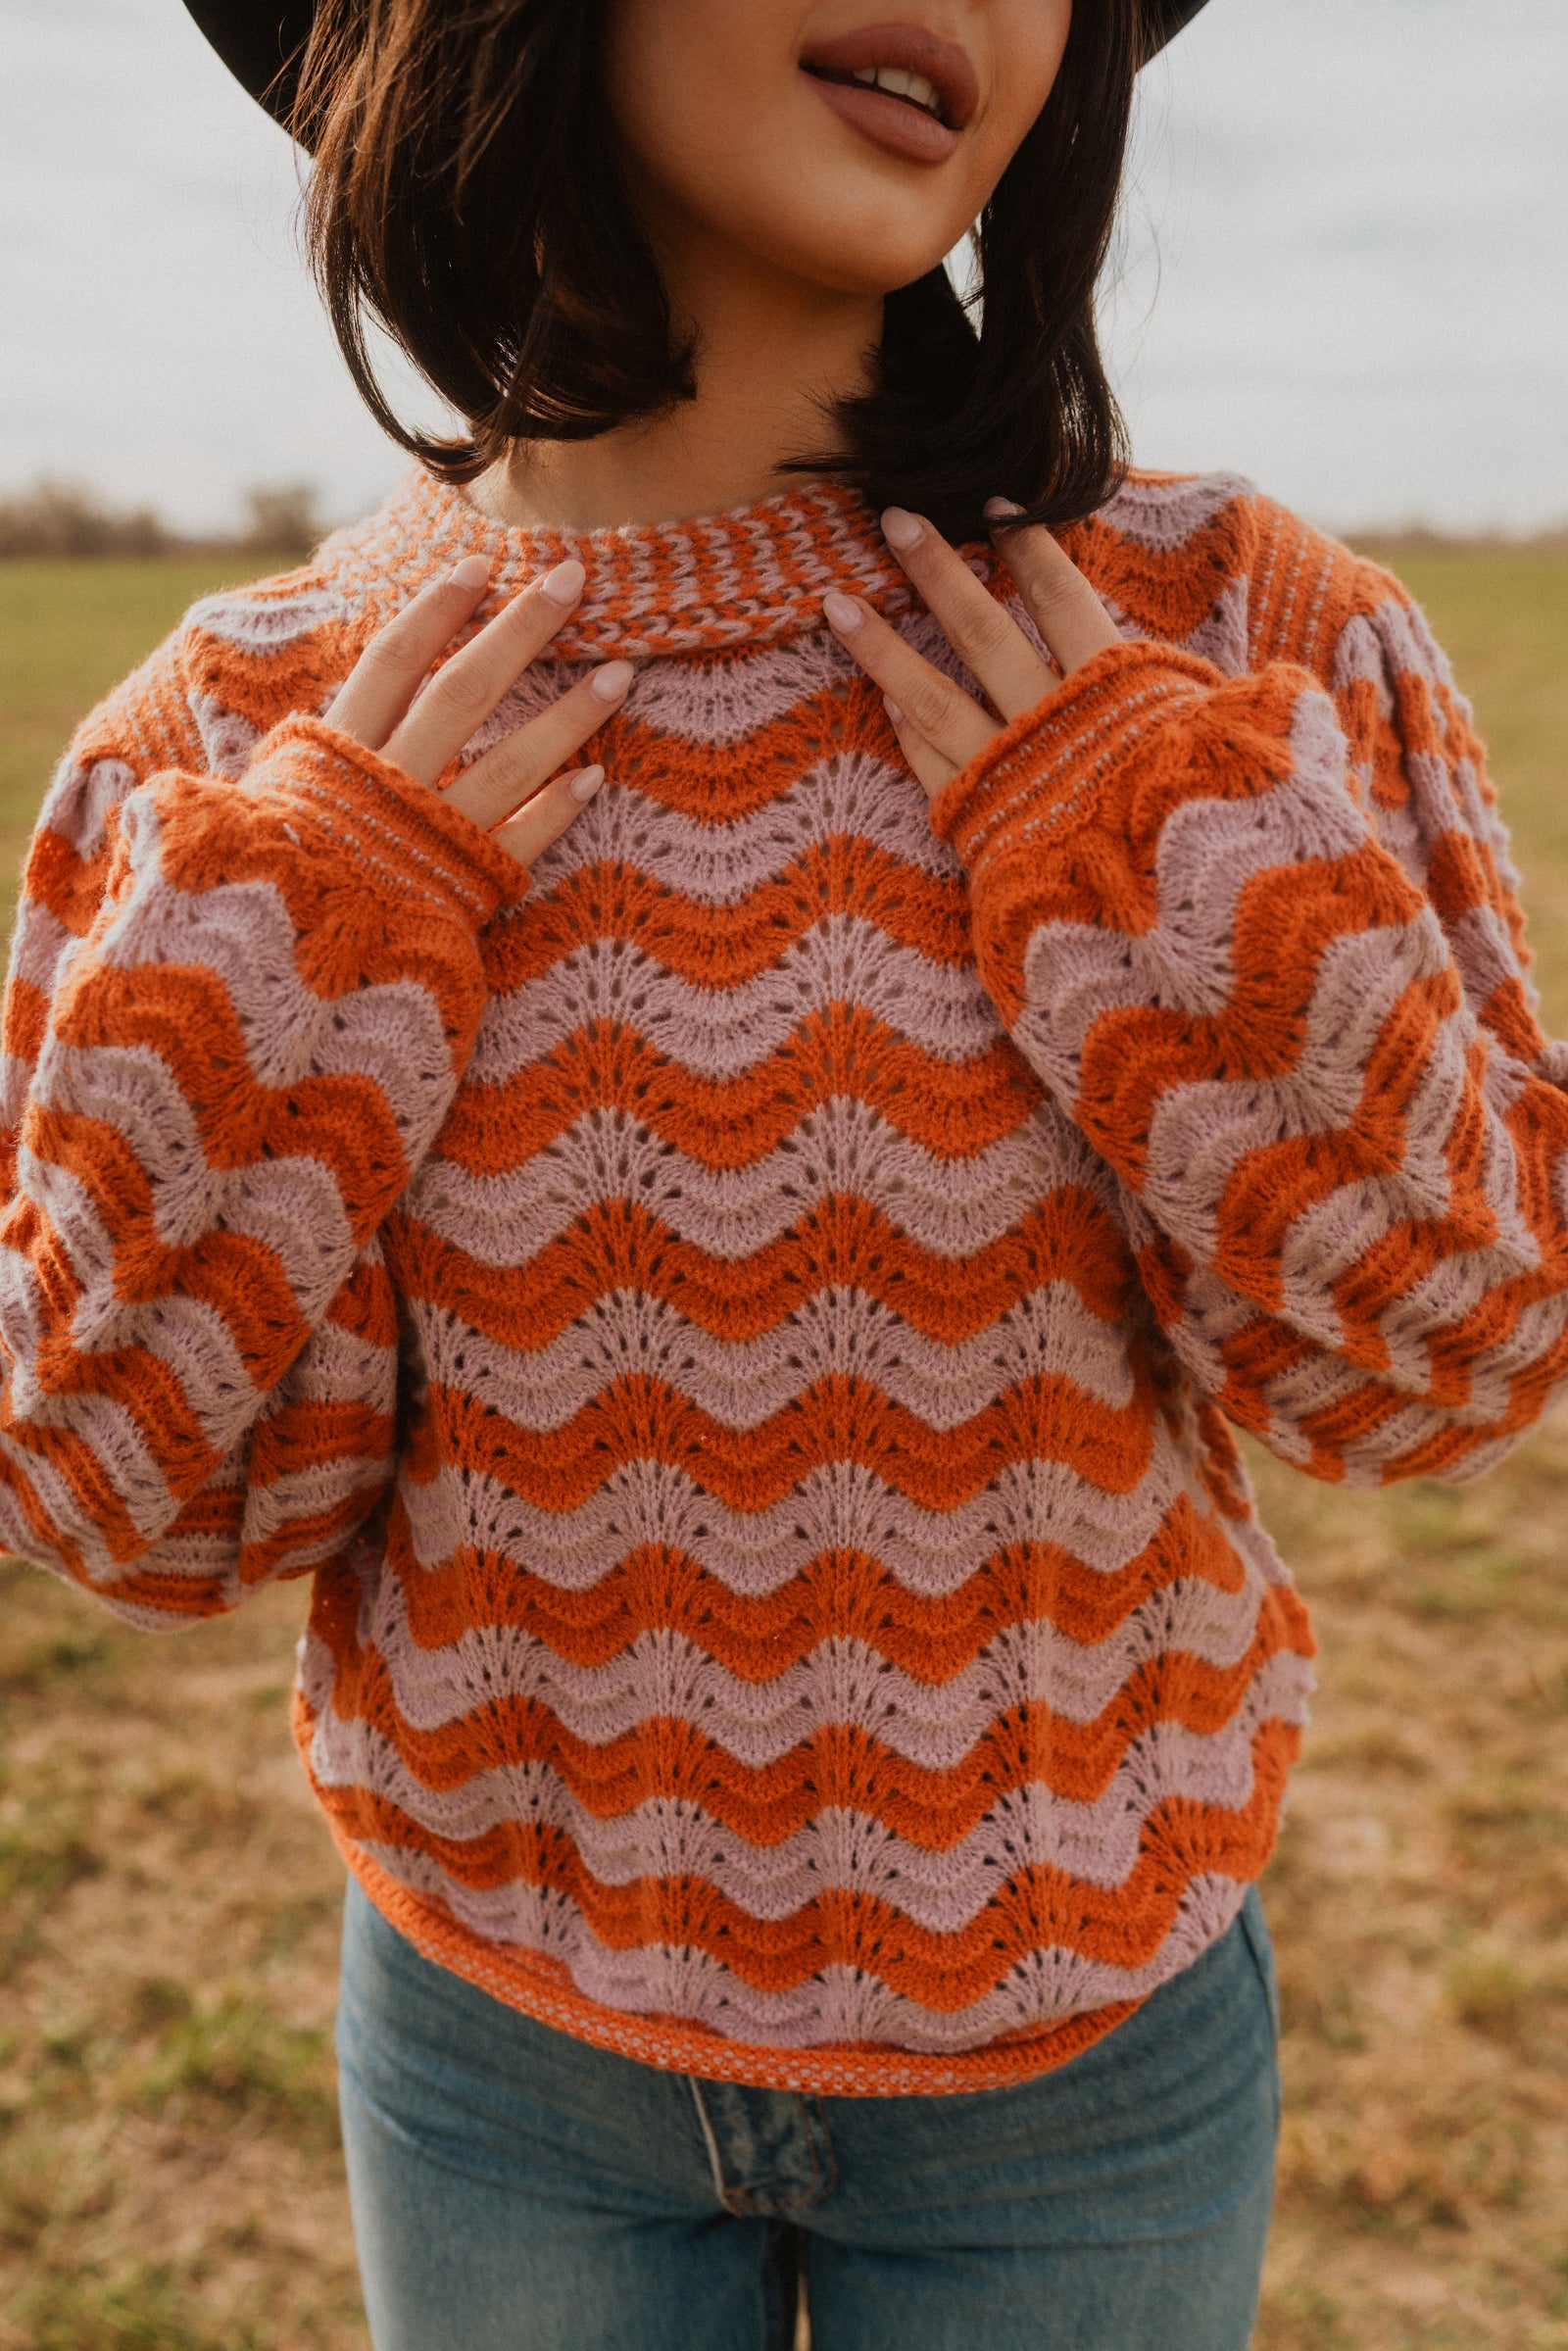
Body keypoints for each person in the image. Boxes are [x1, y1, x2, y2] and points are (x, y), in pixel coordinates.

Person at [7, 3, 1562, 2345]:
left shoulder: (1230, 638)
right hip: (497, 2044)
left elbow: (1446, 1370)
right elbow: (123, 1501)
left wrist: (1144, 850)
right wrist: (316, 942)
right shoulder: (247, 743)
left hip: (1083, 2068)